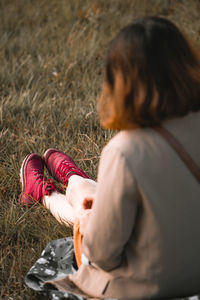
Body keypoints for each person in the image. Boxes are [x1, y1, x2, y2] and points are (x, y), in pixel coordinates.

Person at [19, 16, 200, 299]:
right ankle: (76, 180)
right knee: (100, 198)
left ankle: (48, 194)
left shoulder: (124, 151)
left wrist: (89, 220)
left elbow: (102, 255)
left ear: (122, 82)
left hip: (146, 286)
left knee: (85, 209)